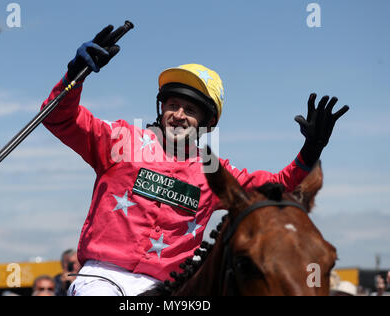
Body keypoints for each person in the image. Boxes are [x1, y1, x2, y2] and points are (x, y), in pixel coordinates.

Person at [41, 25, 349, 296]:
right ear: (160, 109)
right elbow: (60, 117)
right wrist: (74, 77)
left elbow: (276, 187)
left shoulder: (213, 170)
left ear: (207, 122)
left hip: (168, 288)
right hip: (102, 280)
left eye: (190, 110)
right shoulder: (121, 140)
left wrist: (310, 151)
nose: (178, 115)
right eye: (173, 105)